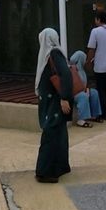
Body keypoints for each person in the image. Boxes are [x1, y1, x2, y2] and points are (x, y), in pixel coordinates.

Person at [34, 28, 72, 183]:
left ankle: (46, 172)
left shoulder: (54, 53)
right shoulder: (48, 55)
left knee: (50, 133)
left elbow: (66, 75)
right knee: (59, 132)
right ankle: (61, 166)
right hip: (52, 101)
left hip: (55, 102)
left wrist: (64, 98)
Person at [69, 51, 102, 127]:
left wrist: (87, 88)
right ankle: (81, 119)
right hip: (74, 93)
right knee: (83, 96)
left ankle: (94, 115)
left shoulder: (82, 70)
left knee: (94, 93)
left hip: (82, 90)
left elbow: (87, 82)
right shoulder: (70, 70)